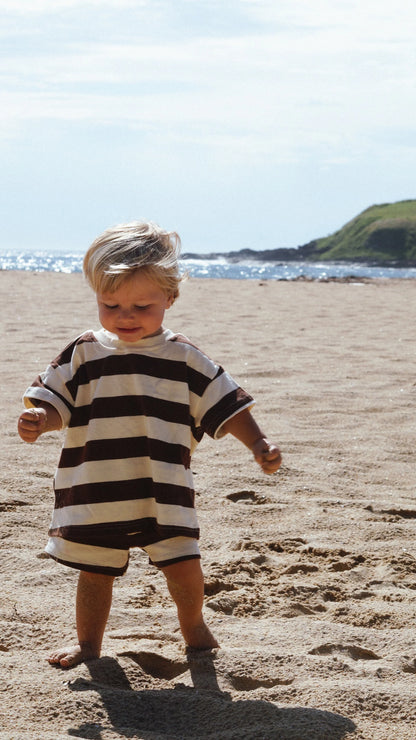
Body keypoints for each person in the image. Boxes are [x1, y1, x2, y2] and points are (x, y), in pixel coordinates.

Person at [18, 220, 281, 669]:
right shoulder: (83, 352)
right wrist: (42, 421)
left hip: (164, 486)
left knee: (183, 563)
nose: (125, 316)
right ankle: (89, 644)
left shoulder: (184, 357)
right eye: (110, 304)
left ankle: (194, 625)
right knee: (95, 571)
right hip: (97, 486)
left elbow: (226, 402)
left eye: (142, 305)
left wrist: (257, 442)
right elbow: (59, 402)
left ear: (170, 299)